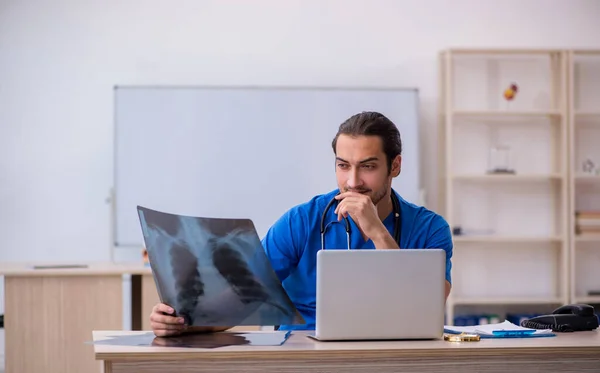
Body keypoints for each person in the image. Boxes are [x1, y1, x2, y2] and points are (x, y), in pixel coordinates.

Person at [149, 111, 453, 337]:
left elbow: (428, 306)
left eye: (368, 167)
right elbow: (244, 299)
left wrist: (377, 232)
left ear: (395, 166)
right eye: (343, 165)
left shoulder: (430, 229)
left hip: (393, 354)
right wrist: (183, 324)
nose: (353, 181)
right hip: (304, 353)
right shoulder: (301, 221)